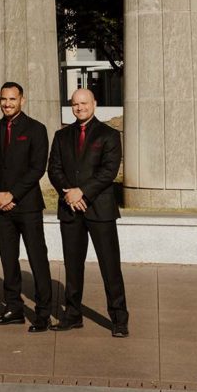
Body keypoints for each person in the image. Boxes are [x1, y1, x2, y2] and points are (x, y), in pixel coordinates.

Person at [47, 87, 128, 338]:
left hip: (99, 209)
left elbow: (109, 171)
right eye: (75, 104)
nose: (79, 107)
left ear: (94, 103)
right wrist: (69, 193)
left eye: (84, 103)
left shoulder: (109, 135)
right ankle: (72, 315)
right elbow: (54, 169)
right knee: (72, 266)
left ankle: (119, 318)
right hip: (70, 209)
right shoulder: (62, 136)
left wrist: (82, 192)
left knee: (110, 266)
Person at [0, 81, 53, 331]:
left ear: (22, 100)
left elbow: (37, 169)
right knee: (8, 260)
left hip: (27, 206)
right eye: (3, 99)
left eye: (12, 99)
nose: (7, 103)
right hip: (1, 207)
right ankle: (13, 308)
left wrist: (12, 195)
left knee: (37, 259)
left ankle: (43, 313)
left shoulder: (36, 129)